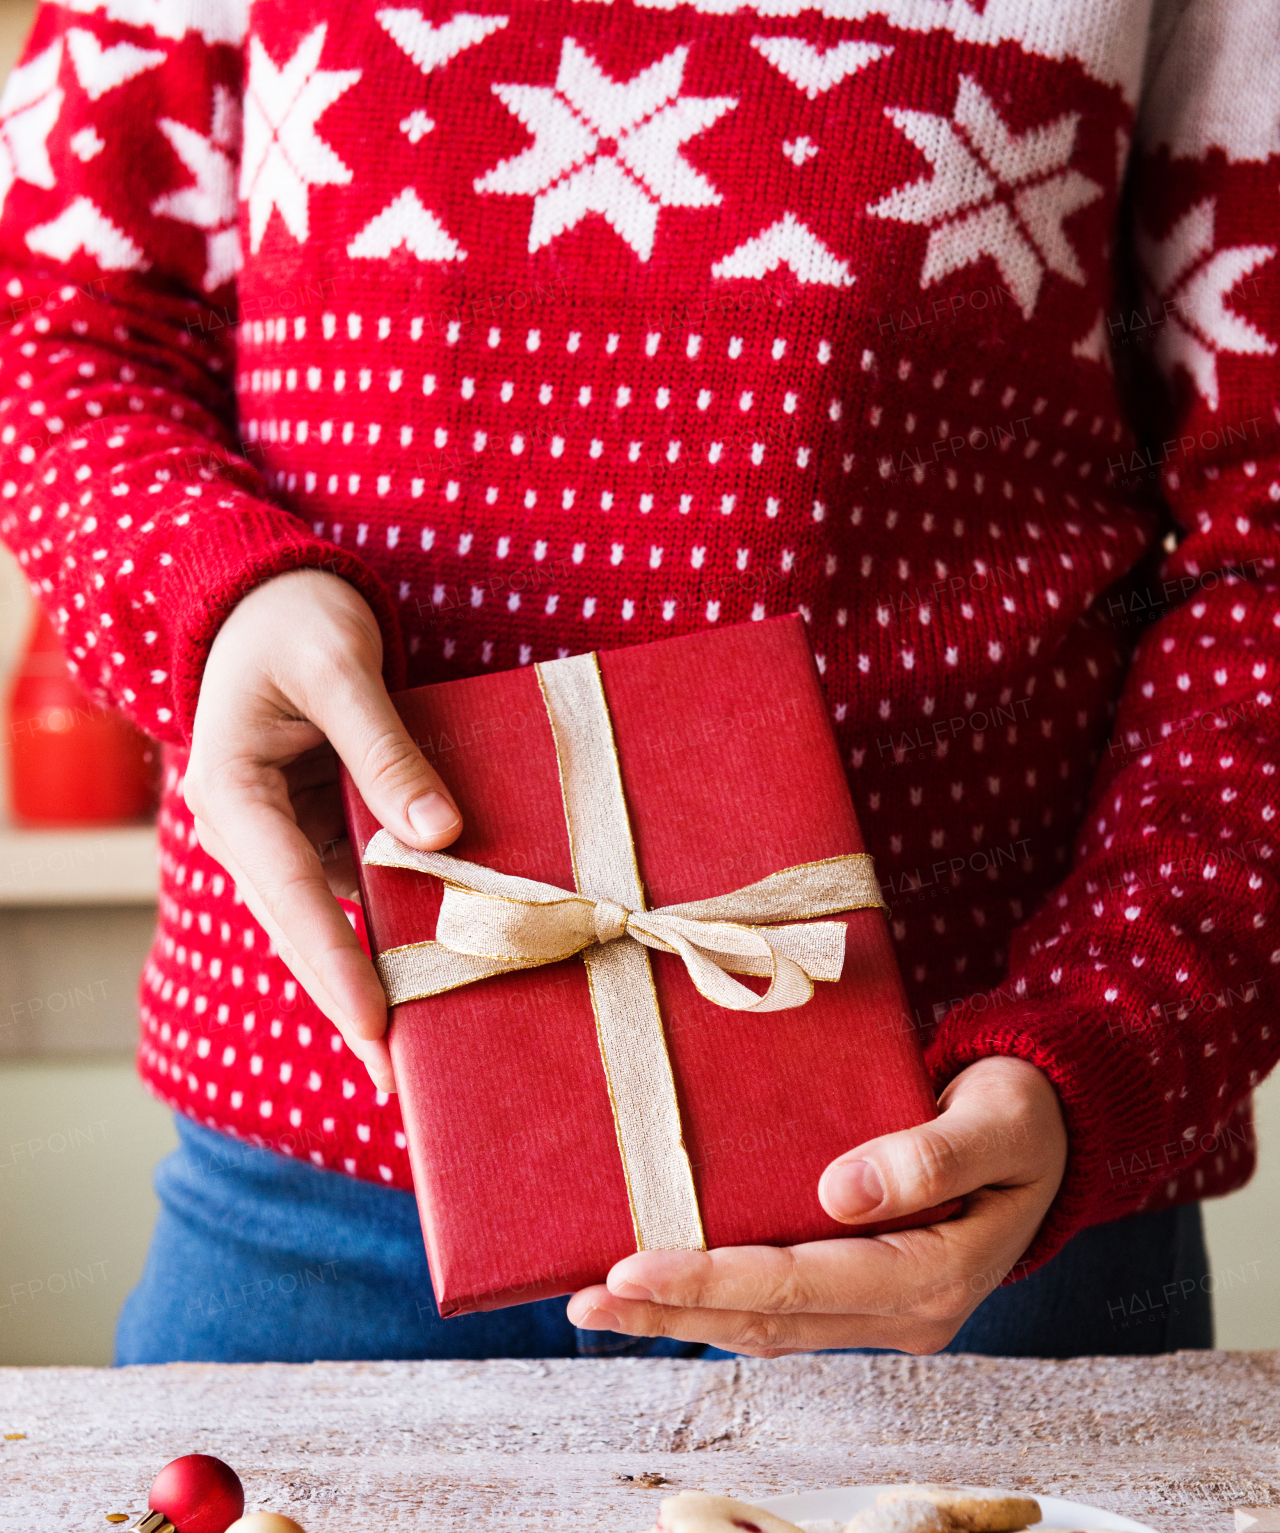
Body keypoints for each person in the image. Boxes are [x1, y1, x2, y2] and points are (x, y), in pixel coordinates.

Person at [0, 0, 1272, 1364]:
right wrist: (219, 586)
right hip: (319, 1174)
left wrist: (1111, 1041)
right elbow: (59, 318)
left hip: (967, 1191)